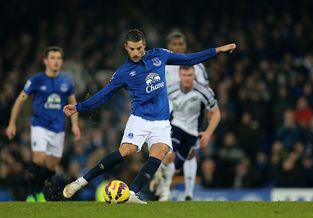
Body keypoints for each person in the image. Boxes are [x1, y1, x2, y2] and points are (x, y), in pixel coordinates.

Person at [62, 29, 235, 204]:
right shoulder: (124, 72)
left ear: (144, 45)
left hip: (161, 121)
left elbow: (188, 59)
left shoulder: (160, 55)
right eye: (132, 49)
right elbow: (104, 95)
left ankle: (132, 194)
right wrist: (79, 107)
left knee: (160, 152)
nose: (136, 53)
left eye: (138, 48)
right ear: (126, 48)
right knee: (126, 152)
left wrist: (217, 50)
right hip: (140, 119)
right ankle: (81, 182)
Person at [6, 46, 81, 202]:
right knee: (39, 159)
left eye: (58, 58)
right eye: (52, 58)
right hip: (40, 125)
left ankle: (38, 190)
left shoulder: (66, 81)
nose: (55, 61)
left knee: (52, 166)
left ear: (62, 61)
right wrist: (12, 123)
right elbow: (20, 101)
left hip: (58, 128)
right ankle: (29, 194)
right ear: (45, 61)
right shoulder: (36, 80)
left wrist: (74, 125)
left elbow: (72, 104)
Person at [151, 31, 213, 201]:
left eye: (180, 45)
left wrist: (206, 114)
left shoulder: (197, 65)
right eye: (174, 45)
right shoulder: (162, 64)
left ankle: (188, 194)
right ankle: (162, 187)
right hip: (168, 110)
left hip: (192, 111)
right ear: (168, 46)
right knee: (165, 149)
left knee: (191, 152)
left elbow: (206, 88)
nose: (178, 47)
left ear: (185, 46)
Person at [155, 65, 221, 201]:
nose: (187, 78)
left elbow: (216, 113)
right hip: (176, 125)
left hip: (192, 131)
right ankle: (164, 192)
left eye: (190, 75)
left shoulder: (203, 91)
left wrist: (208, 133)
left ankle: (159, 174)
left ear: (194, 76)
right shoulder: (171, 90)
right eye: (184, 75)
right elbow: (158, 105)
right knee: (169, 155)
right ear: (179, 76)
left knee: (177, 167)